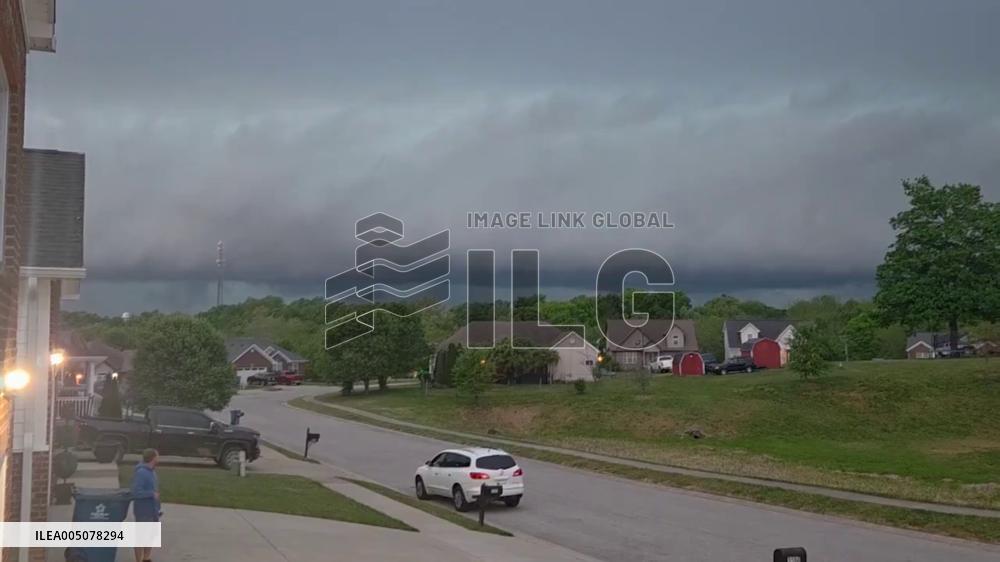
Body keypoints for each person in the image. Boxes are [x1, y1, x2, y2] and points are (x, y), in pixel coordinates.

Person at [131, 448, 161, 562]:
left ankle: (146, 558)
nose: (159, 457)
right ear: (153, 458)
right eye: (157, 455)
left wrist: (158, 506)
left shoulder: (152, 471)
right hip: (143, 510)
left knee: (150, 535)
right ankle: (138, 560)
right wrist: (151, 494)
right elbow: (136, 492)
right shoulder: (141, 472)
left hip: (153, 509)